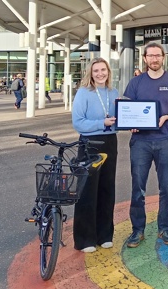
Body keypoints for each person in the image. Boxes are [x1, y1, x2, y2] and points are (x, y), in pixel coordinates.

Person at [123, 42, 168, 248]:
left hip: (165, 140)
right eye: (150, 56)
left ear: (163, 58)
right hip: (140, 142)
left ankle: (164, 228)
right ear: (144, 59)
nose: (154, 59)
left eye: (157, 56)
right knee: (138, 188)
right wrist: (130, 123)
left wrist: (166, 116)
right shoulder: (136, 82)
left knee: (167, 187)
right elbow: (127, 107)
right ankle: (138, 230)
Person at [71, 57, 118, 253]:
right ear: (90, 73)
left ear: (108, 72)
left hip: (110, 142)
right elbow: (78, 122)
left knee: (107, 189)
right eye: (96, 70)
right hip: (90, 143)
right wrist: (102, 124)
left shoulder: (113, 92)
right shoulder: (83, 93)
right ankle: (85, 239)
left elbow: (118, 120)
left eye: (103, 70)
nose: (100, 74)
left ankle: (104, 235)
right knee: (87, 192)